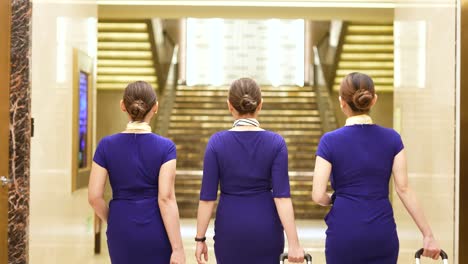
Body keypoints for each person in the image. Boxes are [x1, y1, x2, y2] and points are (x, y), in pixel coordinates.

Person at [312, 72, 441, 263]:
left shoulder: (329, 141)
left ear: (341, 102)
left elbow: (317, 195)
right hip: (381, 232)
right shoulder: (392, 139)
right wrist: (427, 234)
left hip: (343, 232)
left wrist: (334, 198)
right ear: (374, 100)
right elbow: (403, 189)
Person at [194, 78, 304, 264]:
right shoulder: (276, 143)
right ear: (260, 105)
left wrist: (200, 239)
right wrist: (294, 243)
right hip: (266, 228)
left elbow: (207, 198)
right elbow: (282, 197)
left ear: (230, 106)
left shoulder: (216, 143)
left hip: (230, 227)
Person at [88, 81, 185, 264]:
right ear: (155, 107)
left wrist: (114, 219)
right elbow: (166, 198)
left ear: (122, 105)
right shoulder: (166, 148)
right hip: (156, 228)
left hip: (120, 226)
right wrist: (178, 249)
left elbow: (94, 196)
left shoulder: (106, 146)